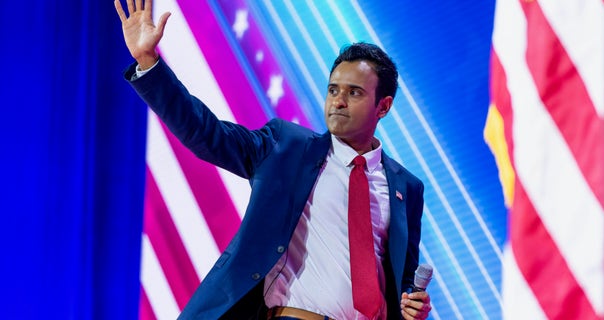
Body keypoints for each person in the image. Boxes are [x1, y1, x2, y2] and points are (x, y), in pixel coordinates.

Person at [115, 0, 431, 319]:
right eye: (333, 90)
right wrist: (149, 62)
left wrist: (413, 307)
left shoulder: (407, 188)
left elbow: (401, 283)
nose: (338, 101)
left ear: (383, 106)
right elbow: (205, 132)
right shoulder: (287, 147)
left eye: (354, 93)